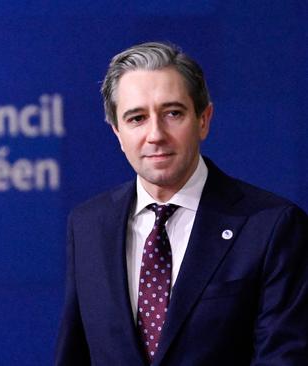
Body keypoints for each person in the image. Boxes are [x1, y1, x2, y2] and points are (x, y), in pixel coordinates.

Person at [55, 42, 308, 365]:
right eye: (136, 118)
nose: (156, 134)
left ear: (204, 119)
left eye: (173, 113)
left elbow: (284, 357)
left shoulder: (271, 226)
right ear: (117, 133)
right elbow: (75, 353)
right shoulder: (88, 225)